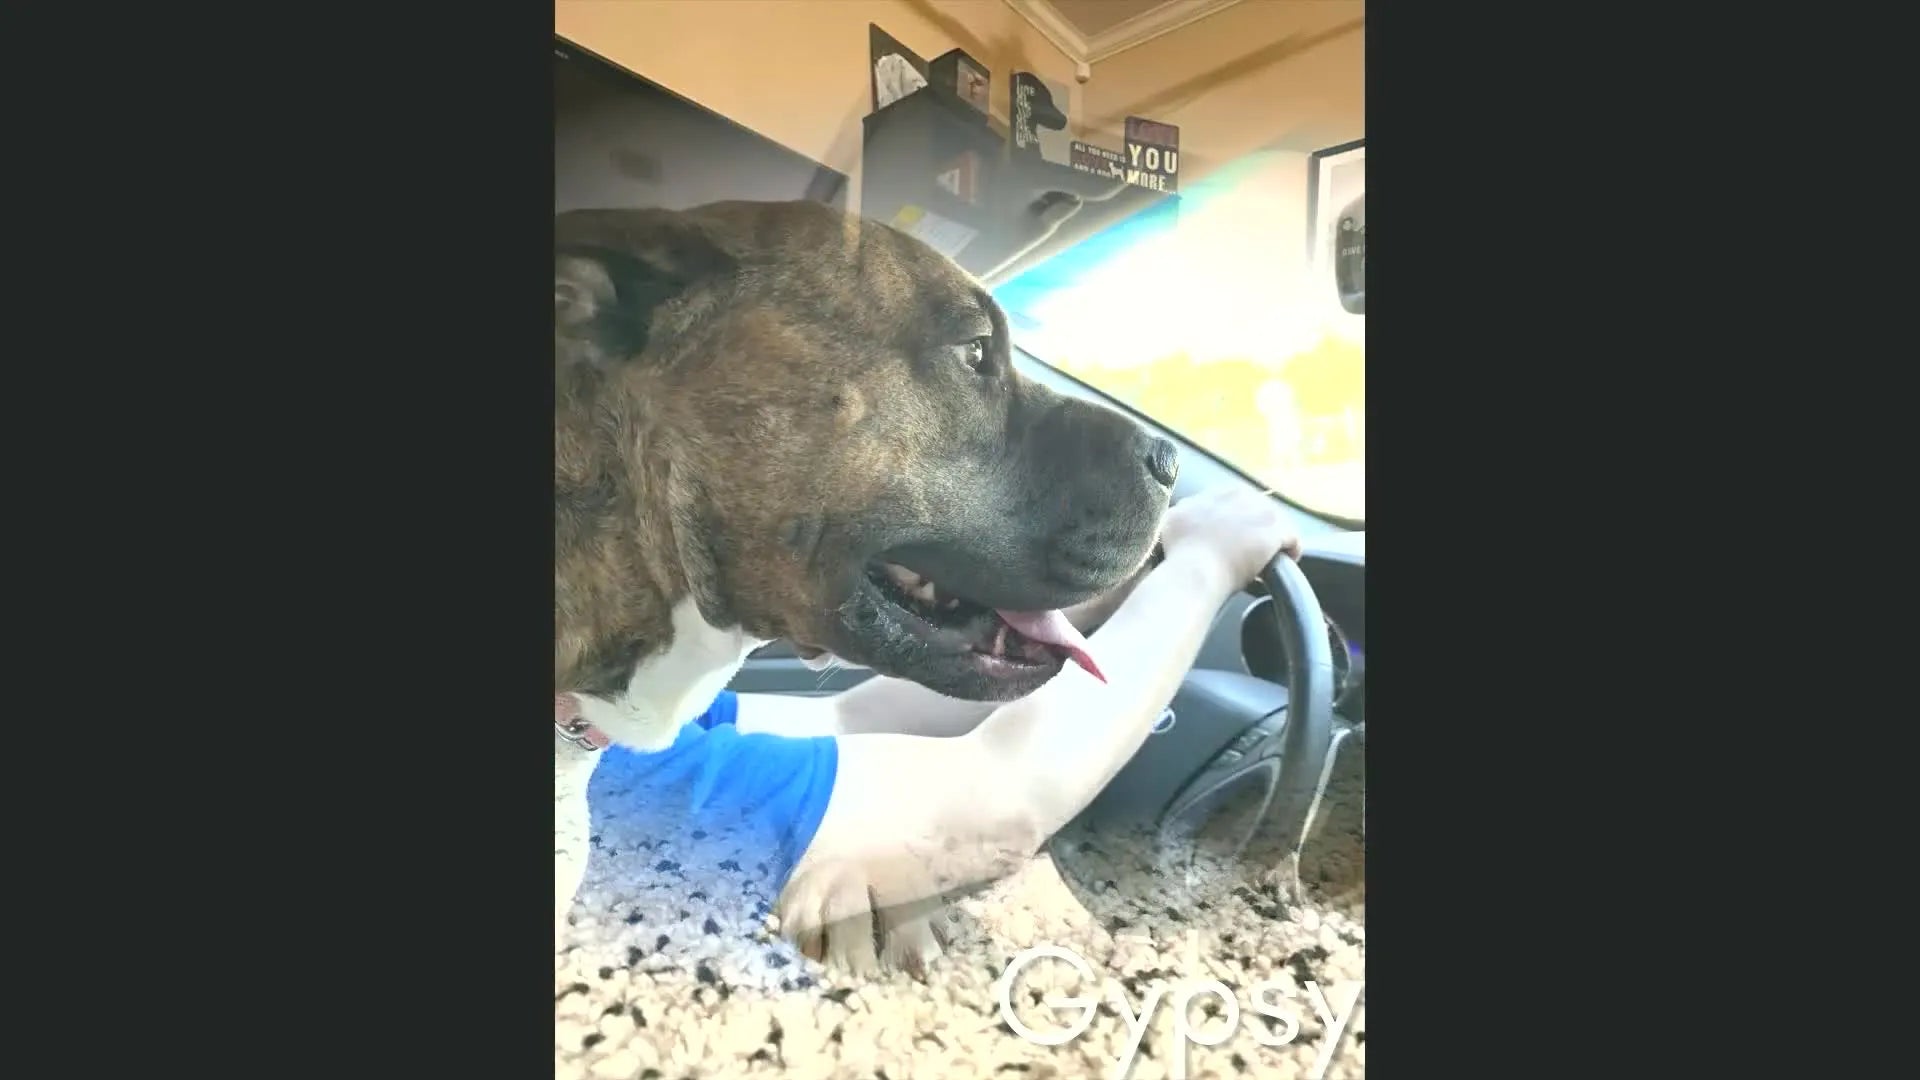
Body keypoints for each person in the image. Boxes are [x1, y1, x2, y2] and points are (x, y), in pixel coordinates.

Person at [580, 485, 1300, 970]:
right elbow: (993, 811)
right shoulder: (609, 784)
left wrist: (1106, 591)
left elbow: (850, 718)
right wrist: (1205, 565)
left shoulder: (605, 717)